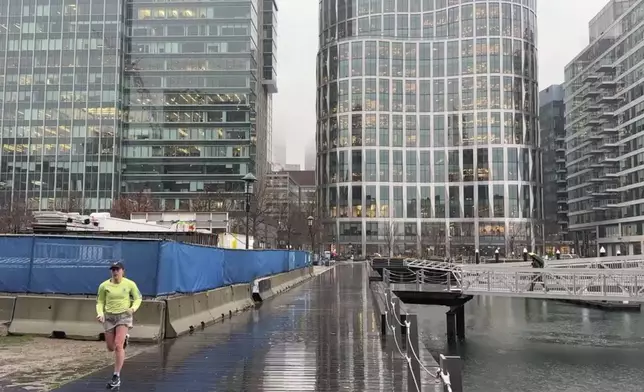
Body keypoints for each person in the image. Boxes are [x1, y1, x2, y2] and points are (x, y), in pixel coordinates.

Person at [96, 261, 142, 389]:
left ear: (123, 271)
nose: (115, 272)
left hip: (124, 316)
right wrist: (100, 313)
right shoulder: (104, 286)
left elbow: (138, 297)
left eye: (117, 269)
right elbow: (100, 301)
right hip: (109, 317)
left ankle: (116, 376)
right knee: (110, 347)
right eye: (113, 270)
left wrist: (133, 308)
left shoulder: (129, 284)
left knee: (117, 346)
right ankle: (124, 340)